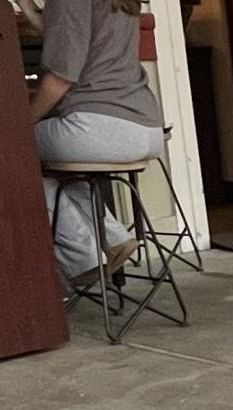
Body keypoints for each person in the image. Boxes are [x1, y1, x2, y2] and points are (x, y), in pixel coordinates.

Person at [25, 0, 164, 290]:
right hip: (145, 126)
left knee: (4, 152)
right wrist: (29, 8)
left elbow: (60, 78)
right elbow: (71, 32)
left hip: (100, 127)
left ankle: (83, 257)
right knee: (54, 164)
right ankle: (113, 237)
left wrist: (21, 123)